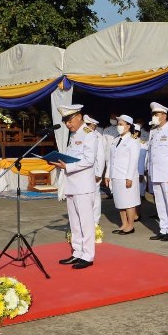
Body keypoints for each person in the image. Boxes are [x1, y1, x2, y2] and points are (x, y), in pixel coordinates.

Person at [53, 105, 97, 270]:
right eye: (65, 121)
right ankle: (77, 252)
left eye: (70, 120)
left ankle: (88, 255)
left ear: (79, 116)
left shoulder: (88, 134)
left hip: (83, 185)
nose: (68, 124)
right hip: (72, 184)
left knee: (85, 222)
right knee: (74, 222)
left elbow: (89, 160)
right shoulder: (74, 135)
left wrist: (68, 167)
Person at [147, 102, 168, 242]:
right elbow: (151, 153)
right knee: (160, 203)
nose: (154, 117)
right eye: (153, 114)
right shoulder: (153, 131)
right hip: (155, 173)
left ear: (164, 116)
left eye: (156, 114)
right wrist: (149, 171)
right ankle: (163, 229)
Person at [104, 114, 140, 235]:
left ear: (128, 126)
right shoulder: (115, 140)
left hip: (126, 176)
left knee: (129, 202)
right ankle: (124, 224)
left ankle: (130, 226)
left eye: (121, 124)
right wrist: (107, 175)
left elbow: (133, 161)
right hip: (116, 176)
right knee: (120, 202)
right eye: (118, 124)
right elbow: (111, 159)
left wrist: (129, 178)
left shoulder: (133, 141)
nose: (118, 126)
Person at [82, 115, 105, 226]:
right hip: (82, 171)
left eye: (87, 125)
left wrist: (99, 173)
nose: (85, 127)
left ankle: (95, 221)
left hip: (93, 171)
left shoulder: (97, 136)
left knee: (95, 197)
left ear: (94, 125)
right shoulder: (79, 134)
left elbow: (100, 156)